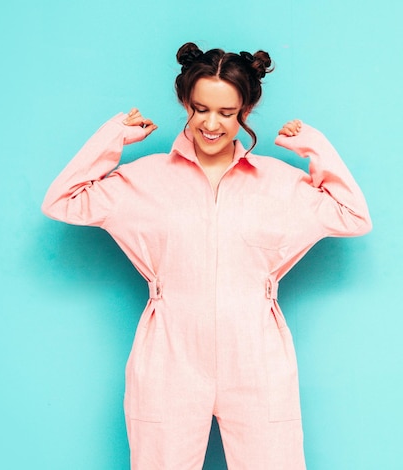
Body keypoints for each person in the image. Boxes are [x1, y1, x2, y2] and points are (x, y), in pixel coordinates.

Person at [42, 41, 372, 469]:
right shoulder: (145, 181)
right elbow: (62, 200)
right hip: (169, 359)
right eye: (201, 109)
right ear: (185, 103)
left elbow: (353, 215)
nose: (211, 124)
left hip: (257, 360)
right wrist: (114, 138)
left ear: (245, 113)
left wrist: (315, 147)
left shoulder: (279, 185)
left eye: (227, 113)